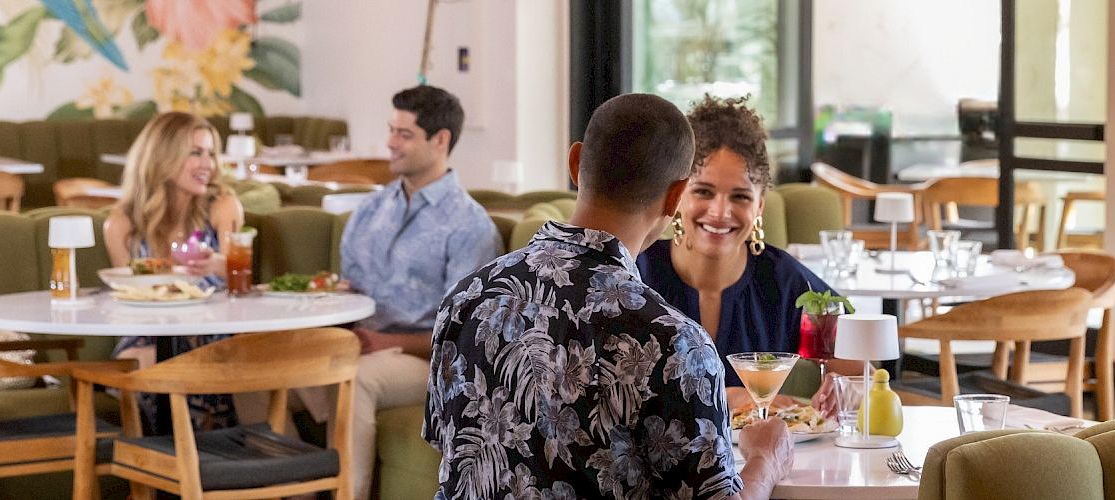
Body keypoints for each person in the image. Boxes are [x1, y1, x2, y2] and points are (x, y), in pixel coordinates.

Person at [427, 93, 792, 499]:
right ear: (676, 196)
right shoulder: (676, 344)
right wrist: (765, 460)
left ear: (575, 164)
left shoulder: (465, 298)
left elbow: (451, 454)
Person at [314, 85, 498, 499]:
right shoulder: (369, 211)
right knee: (267, 365)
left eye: (404, 134)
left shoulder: (469, 226)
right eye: (391, 130)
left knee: (356, 378)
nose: (390, 143)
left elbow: (463, 335)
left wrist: (385, 342)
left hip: (427, 362)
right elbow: (349, 290)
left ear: (440, 140)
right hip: (359, 343)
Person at [635, 95, 860, 413]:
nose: (720, 212)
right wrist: (729, 399)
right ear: (678, 194)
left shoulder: (782, 280)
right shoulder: (637, 275)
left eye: (740, 197)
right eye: (703, 191)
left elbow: (858, 369)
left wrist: (842, 388)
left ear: (759, 207)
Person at [102, 111, 245, 429]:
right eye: (195, 153)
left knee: (199, 360)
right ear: (162, 158)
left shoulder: (223, 207)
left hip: (213, 331)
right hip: (147, 332)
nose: (207, 164)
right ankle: (160, 457)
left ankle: (203, 453)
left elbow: (241, 279)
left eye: (211, 153)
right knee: (140, 364)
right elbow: (127, 297)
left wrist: (218, 265)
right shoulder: (121, 225)